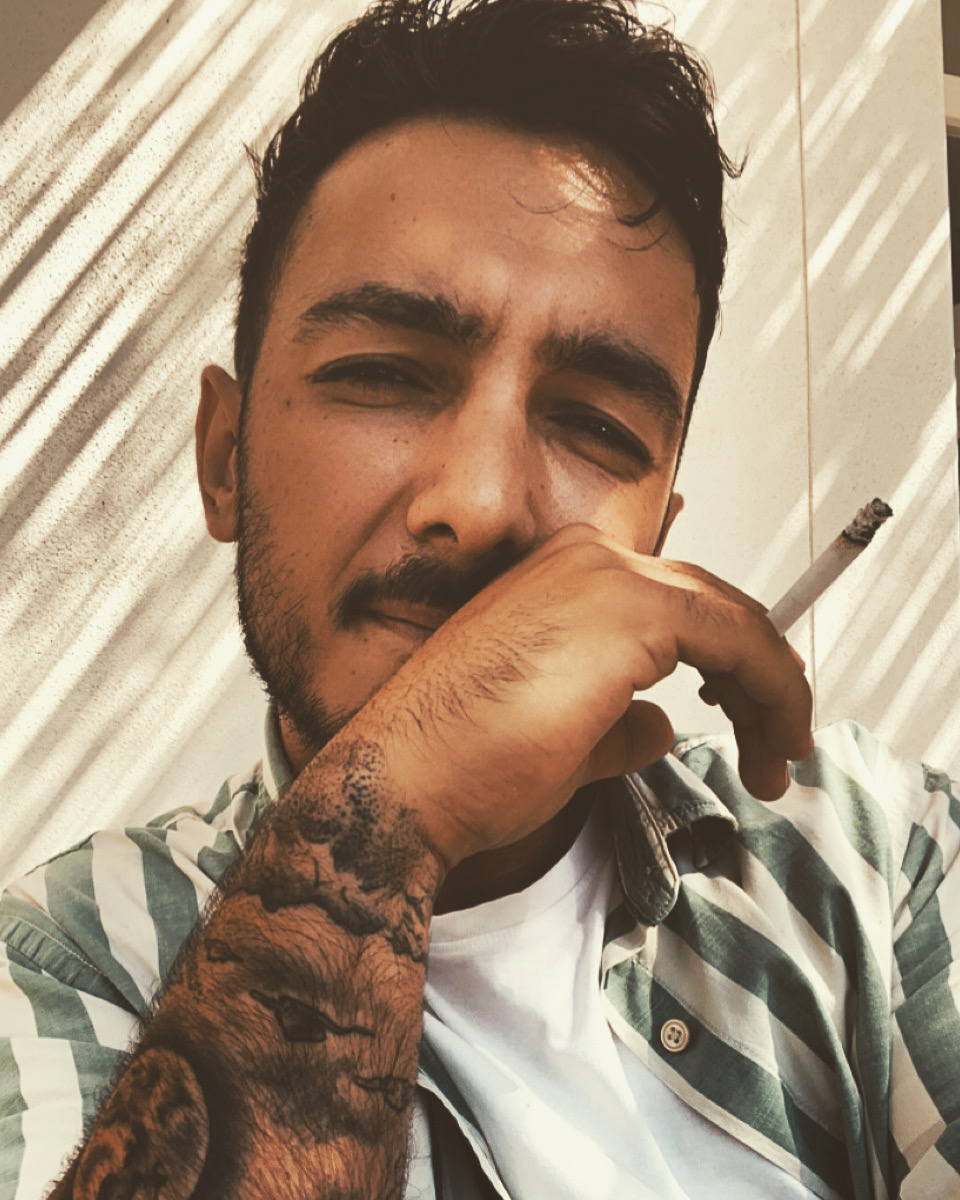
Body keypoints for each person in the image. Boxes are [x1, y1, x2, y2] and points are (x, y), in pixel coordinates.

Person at [1, 0, 957, 1196]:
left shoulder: (873, 861)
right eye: (384, 373)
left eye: (595, 425)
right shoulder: (59, 964)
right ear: (225, 458)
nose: (485, 501)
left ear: (657, 539)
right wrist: (387, 811)